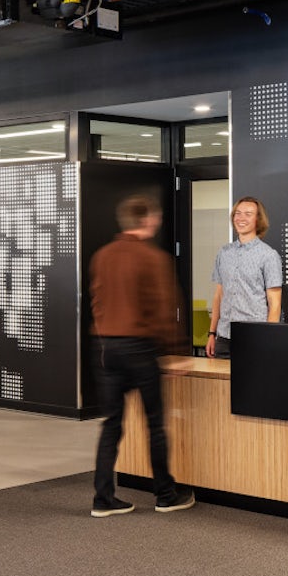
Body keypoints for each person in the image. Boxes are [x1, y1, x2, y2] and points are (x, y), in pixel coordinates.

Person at [88, 192, 196, 518]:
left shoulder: (102, 256)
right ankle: (165, 494)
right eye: (156, 217)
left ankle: (103, 498)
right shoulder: (152, 258)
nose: (158, 221)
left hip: (105, 347)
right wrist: (176, 352)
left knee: (111, 424)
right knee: (155, 424)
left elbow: (96, 303)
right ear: (147, 220)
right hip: (140, 349)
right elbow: (165, 309)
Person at [205, 196, 282, 358]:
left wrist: (269, 338)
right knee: (221, 384)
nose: (241, 218)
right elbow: (219, 296)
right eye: (237, 213)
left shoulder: (268, 255)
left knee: (253, 383)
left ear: (258, 220)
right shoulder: (223, 253)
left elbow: (275, 304)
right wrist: (212, 333)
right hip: (224, 338)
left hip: (254, 338)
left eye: (248, 214)